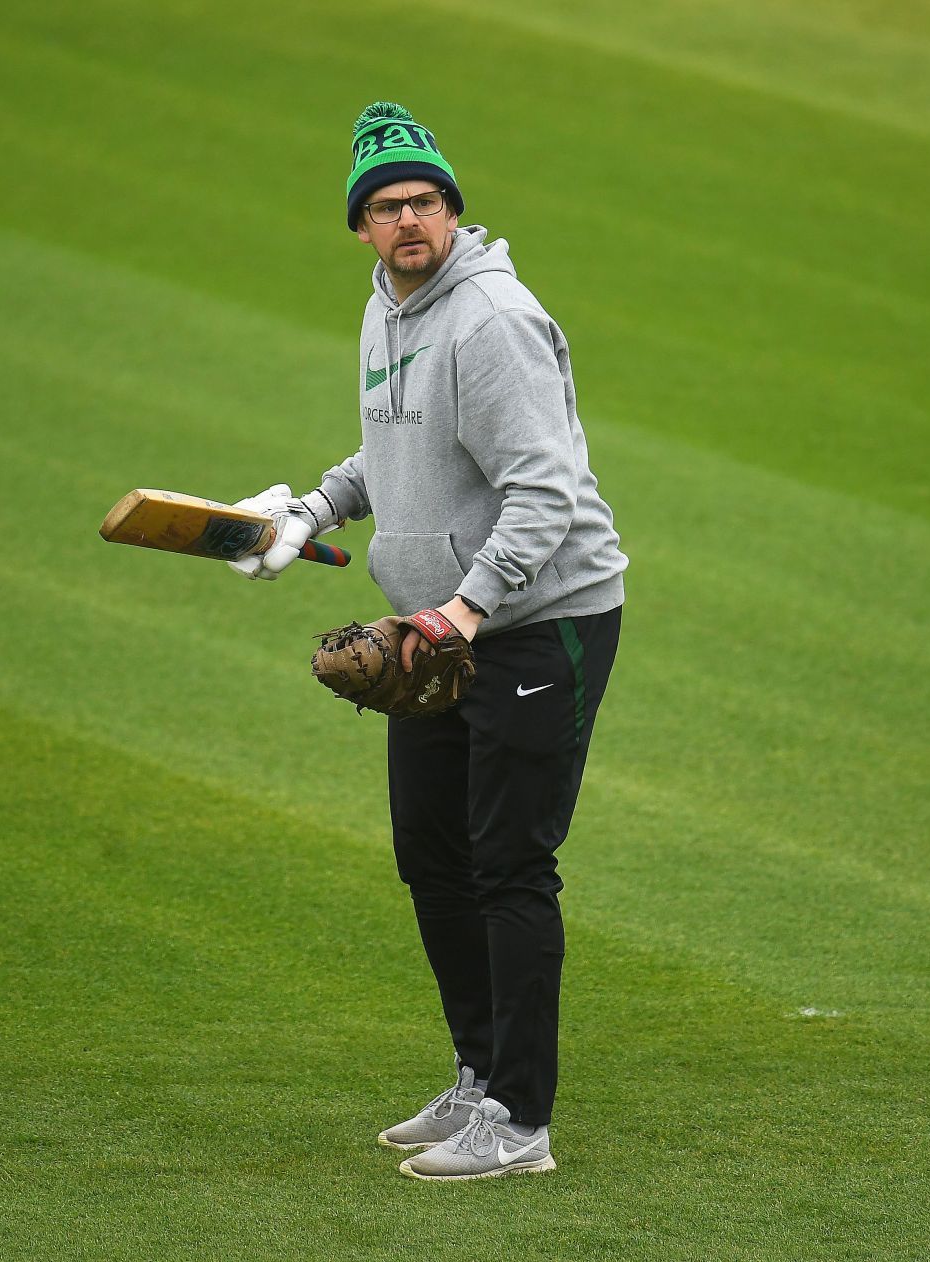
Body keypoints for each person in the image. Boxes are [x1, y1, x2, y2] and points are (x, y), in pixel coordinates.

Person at [232, 101, 627, 1181]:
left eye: (426, 201)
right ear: (360, 228)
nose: (409, 219)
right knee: (433, 853)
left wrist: (464, 607)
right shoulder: (387, 313)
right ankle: (477, 1071)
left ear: (452, 210)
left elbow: (544, 493)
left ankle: (521, 1120)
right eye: (387, 206)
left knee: (509, 861)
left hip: (540, 621)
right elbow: (391, 457)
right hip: (438, 630)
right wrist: (310, 511)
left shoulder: (488, 320)